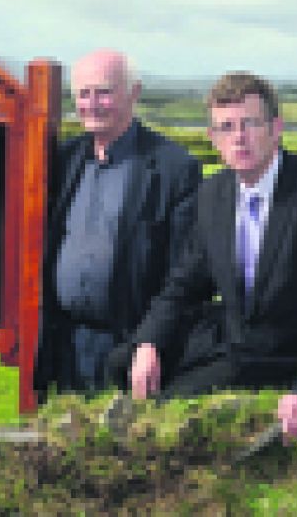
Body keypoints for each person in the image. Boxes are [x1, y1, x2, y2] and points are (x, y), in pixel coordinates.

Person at [117, 71, 297, 443]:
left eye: (250, 124)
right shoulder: (213, 194)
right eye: (226, 127)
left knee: (170, 408)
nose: (239, 137)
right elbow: (184, 284)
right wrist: (149, 343)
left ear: (276, 128)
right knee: (121, 362)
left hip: (291, 356)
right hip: (232, 341)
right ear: (213, 138)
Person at [34, 49, 203, 395]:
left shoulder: (174, 169)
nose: (92, 104)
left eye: (104, 92)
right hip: (62, 346)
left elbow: (186, 274)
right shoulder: (63, 159)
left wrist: (151, 341)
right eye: (83, 93)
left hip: (130, 348)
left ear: (134, 92)